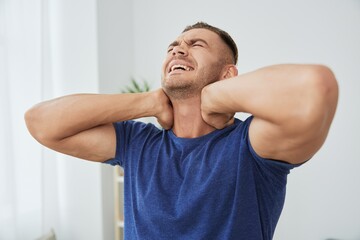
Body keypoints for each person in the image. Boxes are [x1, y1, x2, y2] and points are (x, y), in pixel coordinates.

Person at [25, 22, 338, 239]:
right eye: (172, 47)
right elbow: (40, 122)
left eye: (195, 45)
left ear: (228, 73)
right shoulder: (137, 144)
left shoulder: (251, 146)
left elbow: (315, 88)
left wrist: (215, 95)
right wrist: (147, 102)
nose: (177, 50)